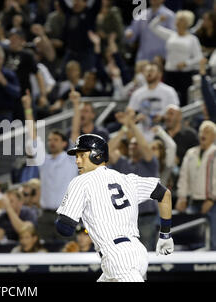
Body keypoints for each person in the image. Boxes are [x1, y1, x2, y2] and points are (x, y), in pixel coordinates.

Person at [55, 134, 174, 282]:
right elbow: (164, 194)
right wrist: (165, 235)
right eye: (76, 156)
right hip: (137, 252)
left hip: (117, 257)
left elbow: (65, 228)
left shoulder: (81, 181)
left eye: (82, 155)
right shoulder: (127, 179)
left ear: (97, 156)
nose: (77, 161)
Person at [22, 90, 77, 241]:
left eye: (56, 140)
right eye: (50, 140)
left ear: (64, 143)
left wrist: (76, 106)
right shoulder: (43, 160)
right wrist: (27, 108)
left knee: (68, 253)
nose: (51, 142)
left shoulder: (70, 159)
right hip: (45, 216)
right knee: (43, 253)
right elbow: (32, 134)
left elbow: (75, 132)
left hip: (66, 216)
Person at [108, 111, 161, 251]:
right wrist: (124, 128)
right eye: (131, 144)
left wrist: (132, 125)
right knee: (126, 256)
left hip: (147, 218)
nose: (133, 146)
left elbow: (145, 146)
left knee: (146, 257)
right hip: (125, 219)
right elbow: (108, 151)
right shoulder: (123, 163)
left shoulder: (150, 164)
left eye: (135, 144)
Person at [149, 10, 203, 106]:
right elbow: (152, 27)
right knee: (167, 98)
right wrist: (159, 19)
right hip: (170, 72)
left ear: (187, 23)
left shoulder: (192, 39)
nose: (178, 22)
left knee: (184, 100)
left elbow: (199, 57)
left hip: (185, 74)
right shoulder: (171, 35)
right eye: (177, 19)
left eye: (181, 20)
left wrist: (186, 63)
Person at [176, 121, 216, 250]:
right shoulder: (191, 153)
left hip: (212, 204)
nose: (203, 134)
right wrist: (182, 197)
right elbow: (184, 176)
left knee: (213, 239)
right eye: (201, 131)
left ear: (214, 136)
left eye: (207, 131)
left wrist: (211, 199)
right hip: (193, 202)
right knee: (191, 238)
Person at [126, 63, 180, 142]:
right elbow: (130, 112)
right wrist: (137, 118)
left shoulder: (169, 91)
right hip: (141, 133)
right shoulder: (137, 93)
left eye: (151, 71)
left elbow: (176, 114)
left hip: (163, 132)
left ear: (159, 74)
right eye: (147, 71)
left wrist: (162, 117)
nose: (149, 73)